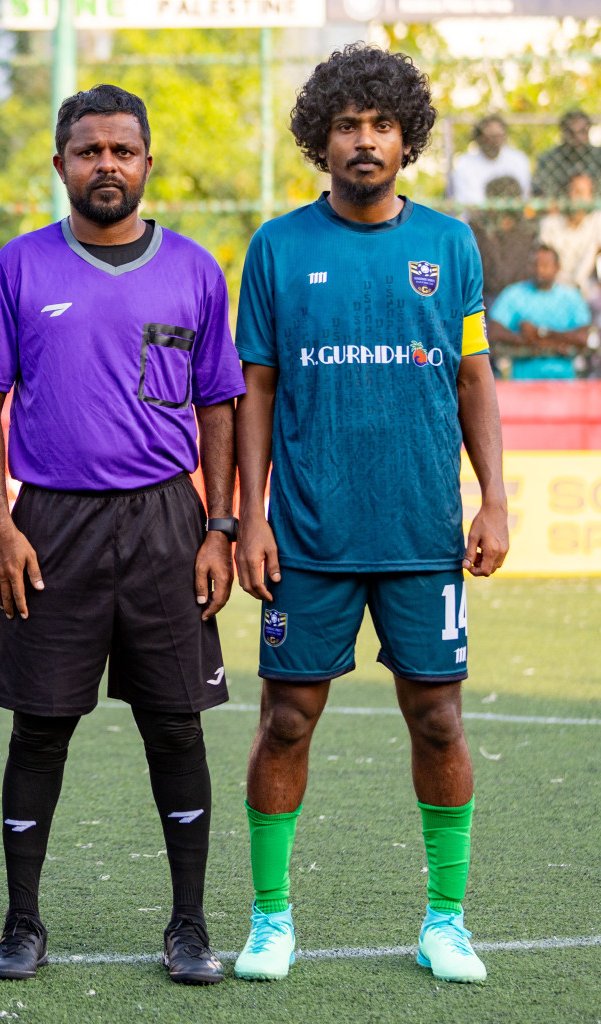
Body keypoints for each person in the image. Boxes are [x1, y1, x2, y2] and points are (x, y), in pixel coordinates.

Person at [232, 44, 508, 986]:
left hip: (423, 531)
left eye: (381, 125)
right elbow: (256, 389)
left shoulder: (451, 245)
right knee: (286, 723)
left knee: (438, 720)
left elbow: (474, 378)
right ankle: (271, 922)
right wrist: (250, 516)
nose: (364, 140)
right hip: (307, 533)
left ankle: (446, 921)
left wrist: (494, 498)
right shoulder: (276, 247)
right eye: (346, 124)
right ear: (322, 138)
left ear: (407, 139)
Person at [0, 84, 243, 985]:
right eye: (89, 151)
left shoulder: (194, 269)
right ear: (61, 165)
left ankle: (189, 926)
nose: (106, 165)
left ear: (148, 162)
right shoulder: (19, 268)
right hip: (51, 524)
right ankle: (22, 923)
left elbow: (219, 403)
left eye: (122, 150)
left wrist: (221, 524)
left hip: (167, 519)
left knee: (177, 728)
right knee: (40, 729)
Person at [487, 245, 592, 380]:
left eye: (545, 265)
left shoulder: (571, 297)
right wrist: (522, 339)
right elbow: (493, 332)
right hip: (523, 382)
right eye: (535, 264)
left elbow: (583, 337)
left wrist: (542, 333)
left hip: (564, 382)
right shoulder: (514, 294)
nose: (539, 270)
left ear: (557, 267)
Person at [467, 175, 537, 307]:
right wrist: (490, 234)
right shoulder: (478, 228)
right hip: (488, 295)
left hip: (520, 295)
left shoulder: (526, 230)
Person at [538, 173, 601, 301]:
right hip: (554, 287)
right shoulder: (550, 223)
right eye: (575, 191)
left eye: (583, 193)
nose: (579, 198)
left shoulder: (597, 221)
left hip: (587, 288)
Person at [447, 115, 530, 203]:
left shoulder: (518, 159)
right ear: (479, 138)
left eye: (499, 136)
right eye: (491, 137)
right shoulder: (464, 164)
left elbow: (524, 197)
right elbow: (467, 202)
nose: (495, 142)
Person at [533, 109, 601, 199]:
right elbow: (540, 191)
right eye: (571, 133)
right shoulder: (549, 159)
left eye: (582, 132)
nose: (577, 137)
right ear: (563, 132)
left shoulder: (597, 156)